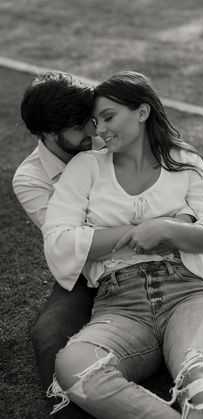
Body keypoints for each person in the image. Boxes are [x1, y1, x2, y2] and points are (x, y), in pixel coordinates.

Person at [42, 71, 203, 418]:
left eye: (108, 117)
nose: (99, 130)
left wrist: (165, 229)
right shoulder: (85, 167)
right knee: (74, 366)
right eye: (95, 121)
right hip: (119, 304)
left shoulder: (185, 162)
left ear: (142, 112)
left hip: (187, 292)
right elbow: (58, 242)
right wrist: (149, 228)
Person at [12, 71, 105, 418]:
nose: (93, 133)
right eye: (81, 127)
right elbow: (73, 239)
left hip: (145, 254)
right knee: (49, 334)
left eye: (91, 121)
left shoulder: (104, 140)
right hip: (85, 270)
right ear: (50, 132)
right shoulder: (31, 177)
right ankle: (71, 408)